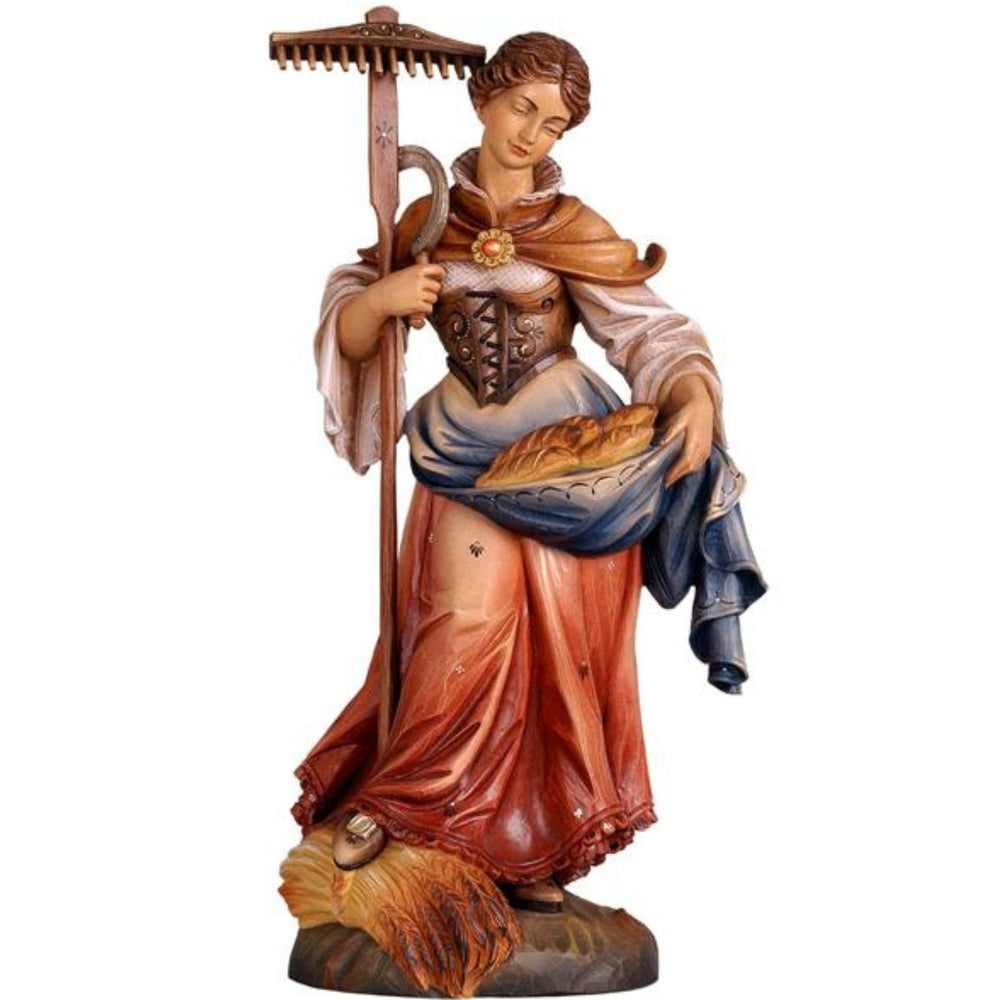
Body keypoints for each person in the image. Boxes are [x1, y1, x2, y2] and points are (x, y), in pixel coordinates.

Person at [291, 32, 760, 913]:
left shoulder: (574, 229)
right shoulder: (424, 218)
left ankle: (525, 840)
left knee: (558, 659)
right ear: (483, 98)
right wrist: (377, 301)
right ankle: (405, 805)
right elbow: (353, 328)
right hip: (462, 453)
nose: (532, 134)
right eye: (521, 109)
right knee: (459, 628)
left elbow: (650, 331)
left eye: (553, 124)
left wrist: (693, 393)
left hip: (572, 471)